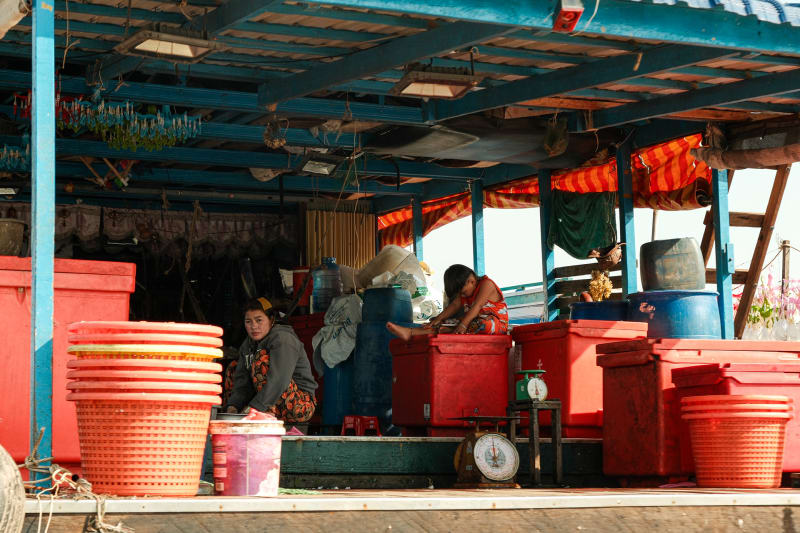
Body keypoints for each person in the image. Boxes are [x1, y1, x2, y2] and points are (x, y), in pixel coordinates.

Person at [226, 297, 318, 424]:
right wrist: (233, 407)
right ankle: (258, 412)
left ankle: (264, 413)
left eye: (259, 320)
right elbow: (242, 382)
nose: (254, 326)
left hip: (300, 404)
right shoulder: (247, 345)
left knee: (261, 361)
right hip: (265, 403)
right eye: (248, 321)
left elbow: (279, 380)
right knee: (233, 367)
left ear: (271, 320)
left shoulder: (282, 338)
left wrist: (253, 409)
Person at [386, 264, 508, 341]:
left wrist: (463, 325)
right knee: (444, 323)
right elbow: (454, 305)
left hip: (495, 324)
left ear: (471, 281)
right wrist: (438, 319)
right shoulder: (464, 292)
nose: (462, 296)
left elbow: (477, 306)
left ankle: (450, 331)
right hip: (471, 321)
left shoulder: (487, 284)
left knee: (481, 324)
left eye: (463, 292)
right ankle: (410, 332)